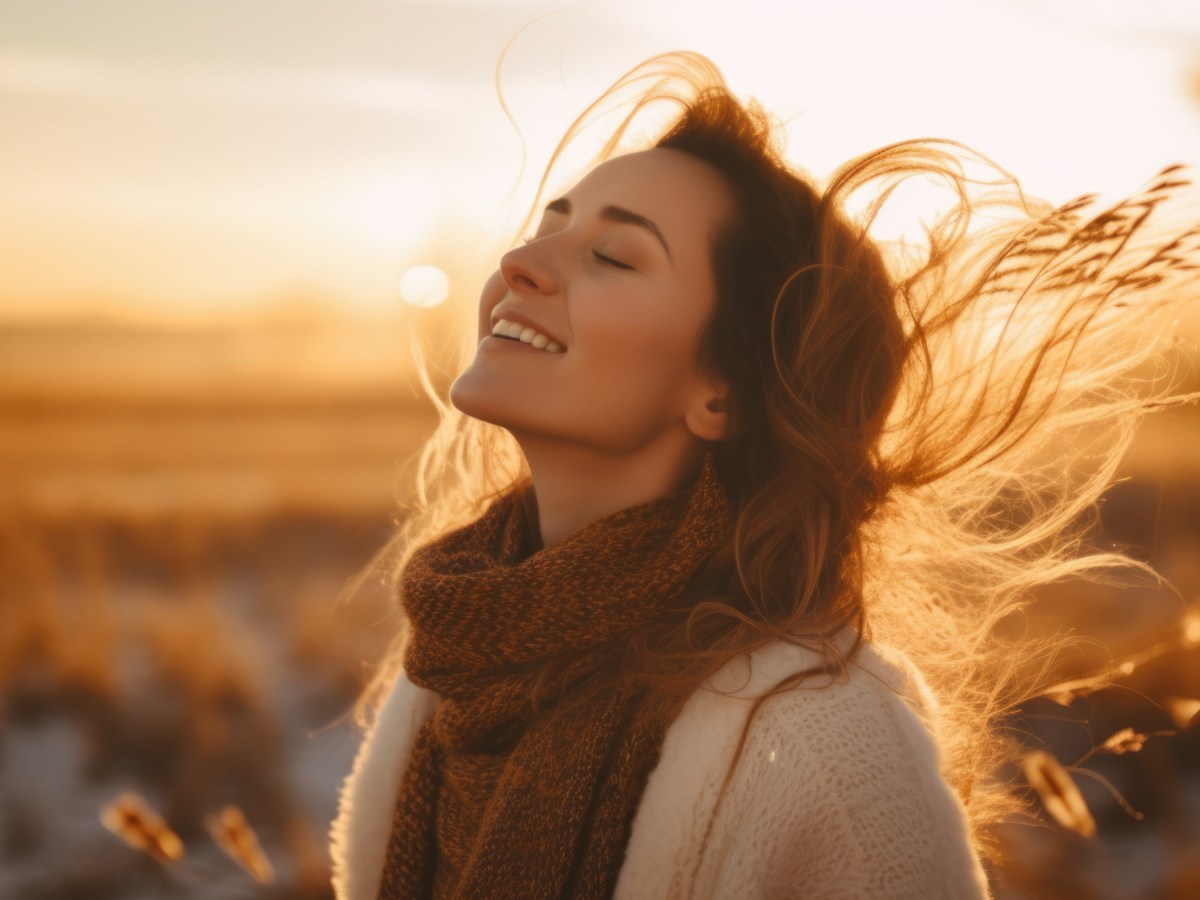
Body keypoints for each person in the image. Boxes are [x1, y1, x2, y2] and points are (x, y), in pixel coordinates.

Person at [328, 51, 1199, 899]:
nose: (521, 263)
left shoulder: (822, 743)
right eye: (550, 227)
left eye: (615, 256)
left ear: (722, 394)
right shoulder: (453, 662)